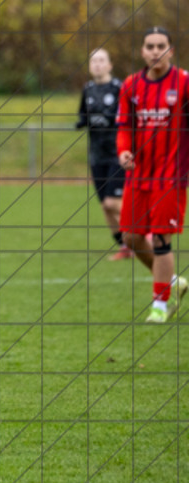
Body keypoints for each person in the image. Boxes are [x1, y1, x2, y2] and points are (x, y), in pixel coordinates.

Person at [116, 27, 189, 323]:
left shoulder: (184, 83)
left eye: (161, 46)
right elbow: (125, 127)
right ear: (142, 51)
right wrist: (124, 151)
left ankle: (160, 306)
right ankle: (171, 282)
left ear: (170, 50)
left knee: (160, 239)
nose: (156, 51)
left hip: (171, 177)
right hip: (138, 177)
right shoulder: (131, 85)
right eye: (150, 46)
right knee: (131, 237)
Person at [76, 48, 131, 260]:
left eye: (101, 60)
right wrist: (82, 122)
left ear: (109, 65)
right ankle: (125, 246)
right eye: (94, 61)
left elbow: (128, 116)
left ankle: (142, 233)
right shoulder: (88, 89)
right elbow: (83, 113)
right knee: (105, 207)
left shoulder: (119, 88)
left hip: (117, 154)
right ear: (90, 67)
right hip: (96, 156)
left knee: (112, 203)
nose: (97, 64)